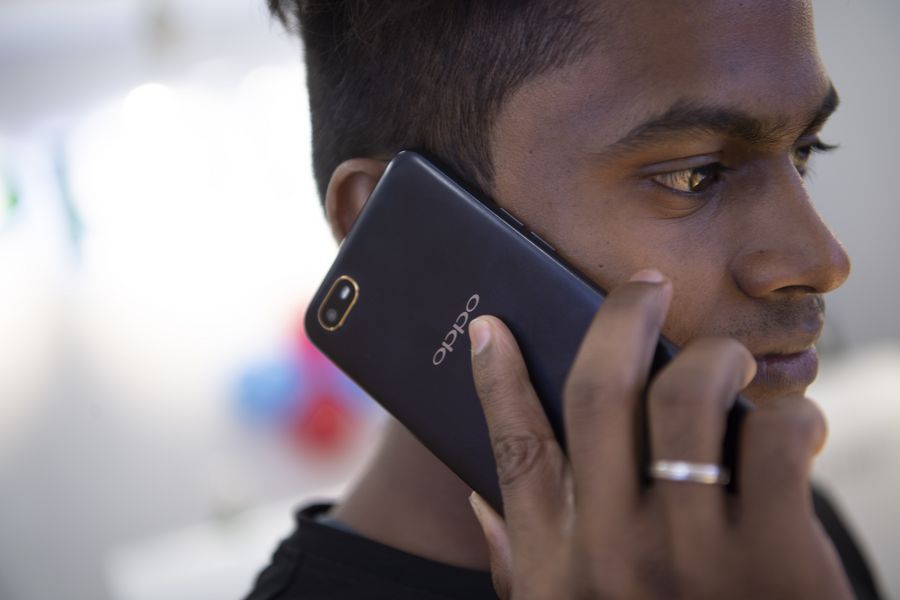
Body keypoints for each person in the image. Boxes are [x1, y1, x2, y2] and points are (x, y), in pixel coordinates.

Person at [246, 1, 883, 598]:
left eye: (804, 152)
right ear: (390, 232)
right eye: (694, 175)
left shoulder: (778, 530)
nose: (825, 262)